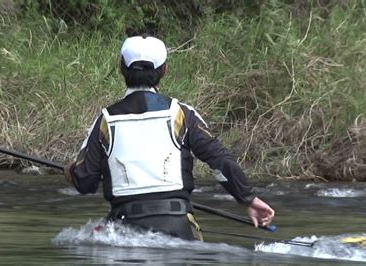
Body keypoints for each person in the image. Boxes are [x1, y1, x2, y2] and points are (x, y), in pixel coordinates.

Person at [64, 35, 275, 241]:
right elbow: (220, 161)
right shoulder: (182, 114)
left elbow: (86, 182)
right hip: (179, 227)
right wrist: (248, 199)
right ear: (164, 70)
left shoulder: (104, 121)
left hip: (124, 231)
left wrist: (71, 171)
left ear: (122, 69)